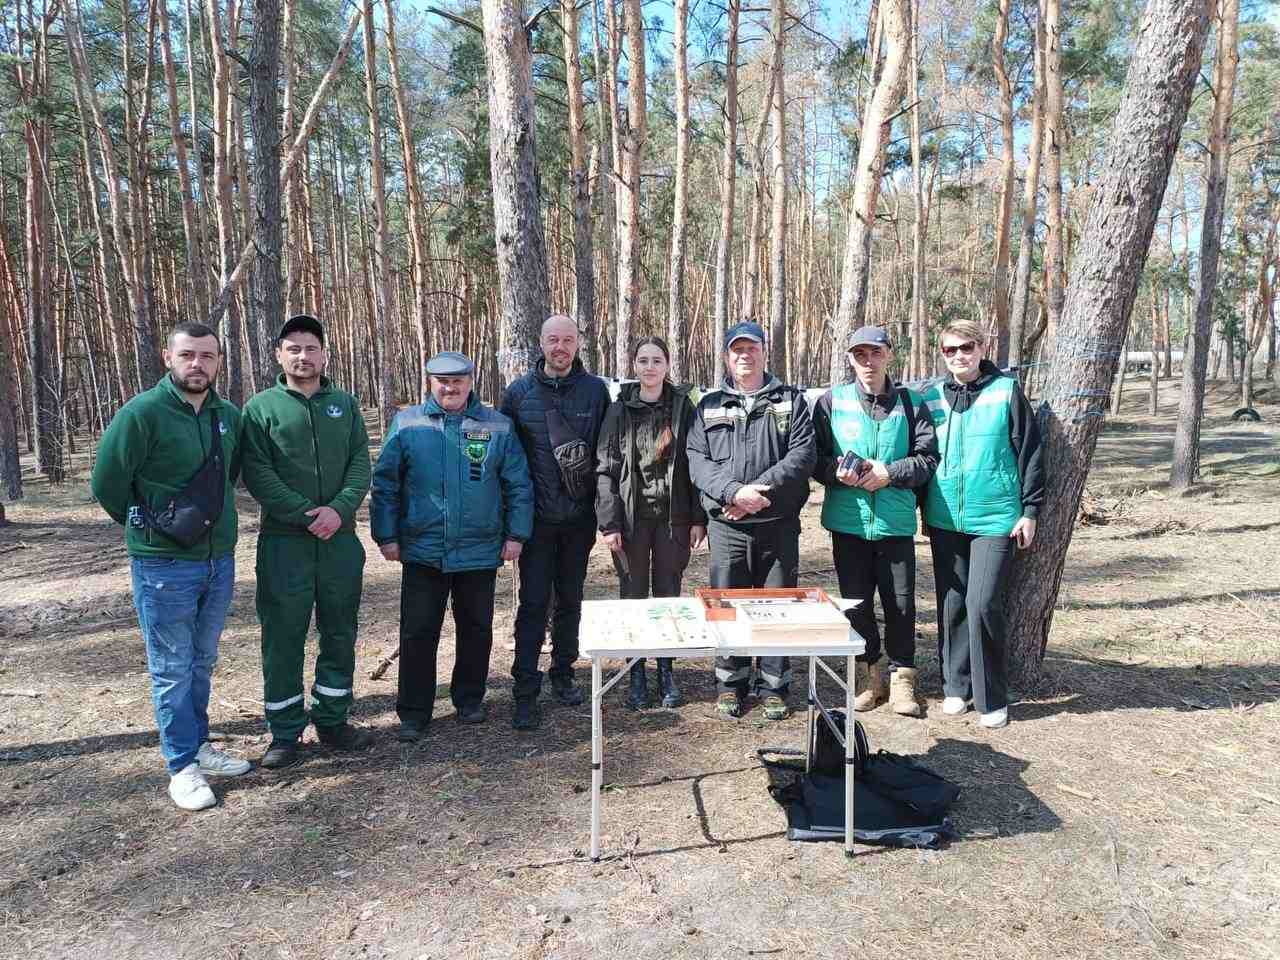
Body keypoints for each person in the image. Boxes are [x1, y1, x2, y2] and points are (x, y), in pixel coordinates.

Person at [91, 322, 251, 811]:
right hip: (163, 566)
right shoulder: (142, 413)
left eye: (207, 356)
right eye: (187, 355)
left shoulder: (228, 416)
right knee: (171, 668)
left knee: (202, 661)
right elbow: (107, 482)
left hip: (218, 561)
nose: (197, 364)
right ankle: (181, 767)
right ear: (168, 357)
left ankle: (199, 746)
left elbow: (231, 475)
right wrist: (149, 527)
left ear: (218, 361)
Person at [371, 352, 533, 742]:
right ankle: (414, 712)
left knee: (476, 628)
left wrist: (516, 535)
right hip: (423, 549)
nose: (450, 387)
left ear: (470, 381)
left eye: (458, 380)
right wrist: (387, 535)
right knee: (418, 631)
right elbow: (386, 483)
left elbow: (518, 484)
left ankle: (469, 699)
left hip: (479, 549)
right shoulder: (407, 423)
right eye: (442, 381)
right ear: (430, 382)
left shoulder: (497, 425)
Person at [240, 314, 373, 768]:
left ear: (324, 355)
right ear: (279, 355)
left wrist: (339, 509)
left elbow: (360, 462)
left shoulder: (345, 405)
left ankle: (333, 720)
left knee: (340, 630)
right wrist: (304, 514)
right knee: (283, 635)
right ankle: (284, 732)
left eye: (310, 348)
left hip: (340, 539)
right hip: (285, 543)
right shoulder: (260, 409)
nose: (303, 356)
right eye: (293, 348)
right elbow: (257, 472)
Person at [686, 320, 816, 721]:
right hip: (727, 525)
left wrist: (756, 494)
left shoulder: (791, 401)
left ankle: (774, 686)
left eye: (751, 348)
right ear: (727, 356)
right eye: (737, 349)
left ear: (763, 352)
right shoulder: (708, 406)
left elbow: (802, 456)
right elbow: (697, 461)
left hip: (777, 522)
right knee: (727, 605)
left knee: (778, 606)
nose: (745, 355)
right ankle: (731, 684)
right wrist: (733, 494)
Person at [922, 319, 1044, 729]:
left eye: (967, 347)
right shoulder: (931, 397)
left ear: (981, 348)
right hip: (945, 518)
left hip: (995, 518)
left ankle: (991, 697)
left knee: (983, 603)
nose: (959, 355)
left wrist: (1030, 511)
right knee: (953, 603)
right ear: (942, 354)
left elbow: (1030, 453)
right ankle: (956, 686)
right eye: (950, 349)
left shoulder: (1006, 392)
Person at [812, 326, 938, 718]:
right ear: (851, 359)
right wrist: (836, 473)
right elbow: (814, 458)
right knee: (857, 603)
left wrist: (889, 473)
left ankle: (902, 679)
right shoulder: (832, 402)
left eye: (876, 353)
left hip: (894, 523)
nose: (868, 362)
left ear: (889, 355)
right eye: (860, 355)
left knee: (900, 603)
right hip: (848, 522)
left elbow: (927, 459)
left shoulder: (911, 403)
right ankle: (871, 675)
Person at [500, 316, 611, 730]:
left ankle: (564, 675)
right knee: (532, 604)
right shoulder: (518, 393)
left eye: (567, 340)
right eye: (553, 340)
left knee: (570, 600)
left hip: (578, 520)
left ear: (578, 343)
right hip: (535, 522)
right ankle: (525, 690)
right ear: (541, 343)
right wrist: (510, 521)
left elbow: (606, 455)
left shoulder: (596, 392)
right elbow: (505, 461)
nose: (560, 347)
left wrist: (604, 513)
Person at [595, 337, 707, 709]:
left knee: (668, 596)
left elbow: (696, 465)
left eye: (656, 360)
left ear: (667, 365)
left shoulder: (684, 408)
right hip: (631, 521)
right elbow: (606, 470)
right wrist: (609, 523)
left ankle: (666, 671)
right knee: (633, 596)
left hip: (674, 519)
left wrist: (698, 518)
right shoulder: (619, 410)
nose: (649, 367)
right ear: (634, 365)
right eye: (643, 360)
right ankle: (636, 673)